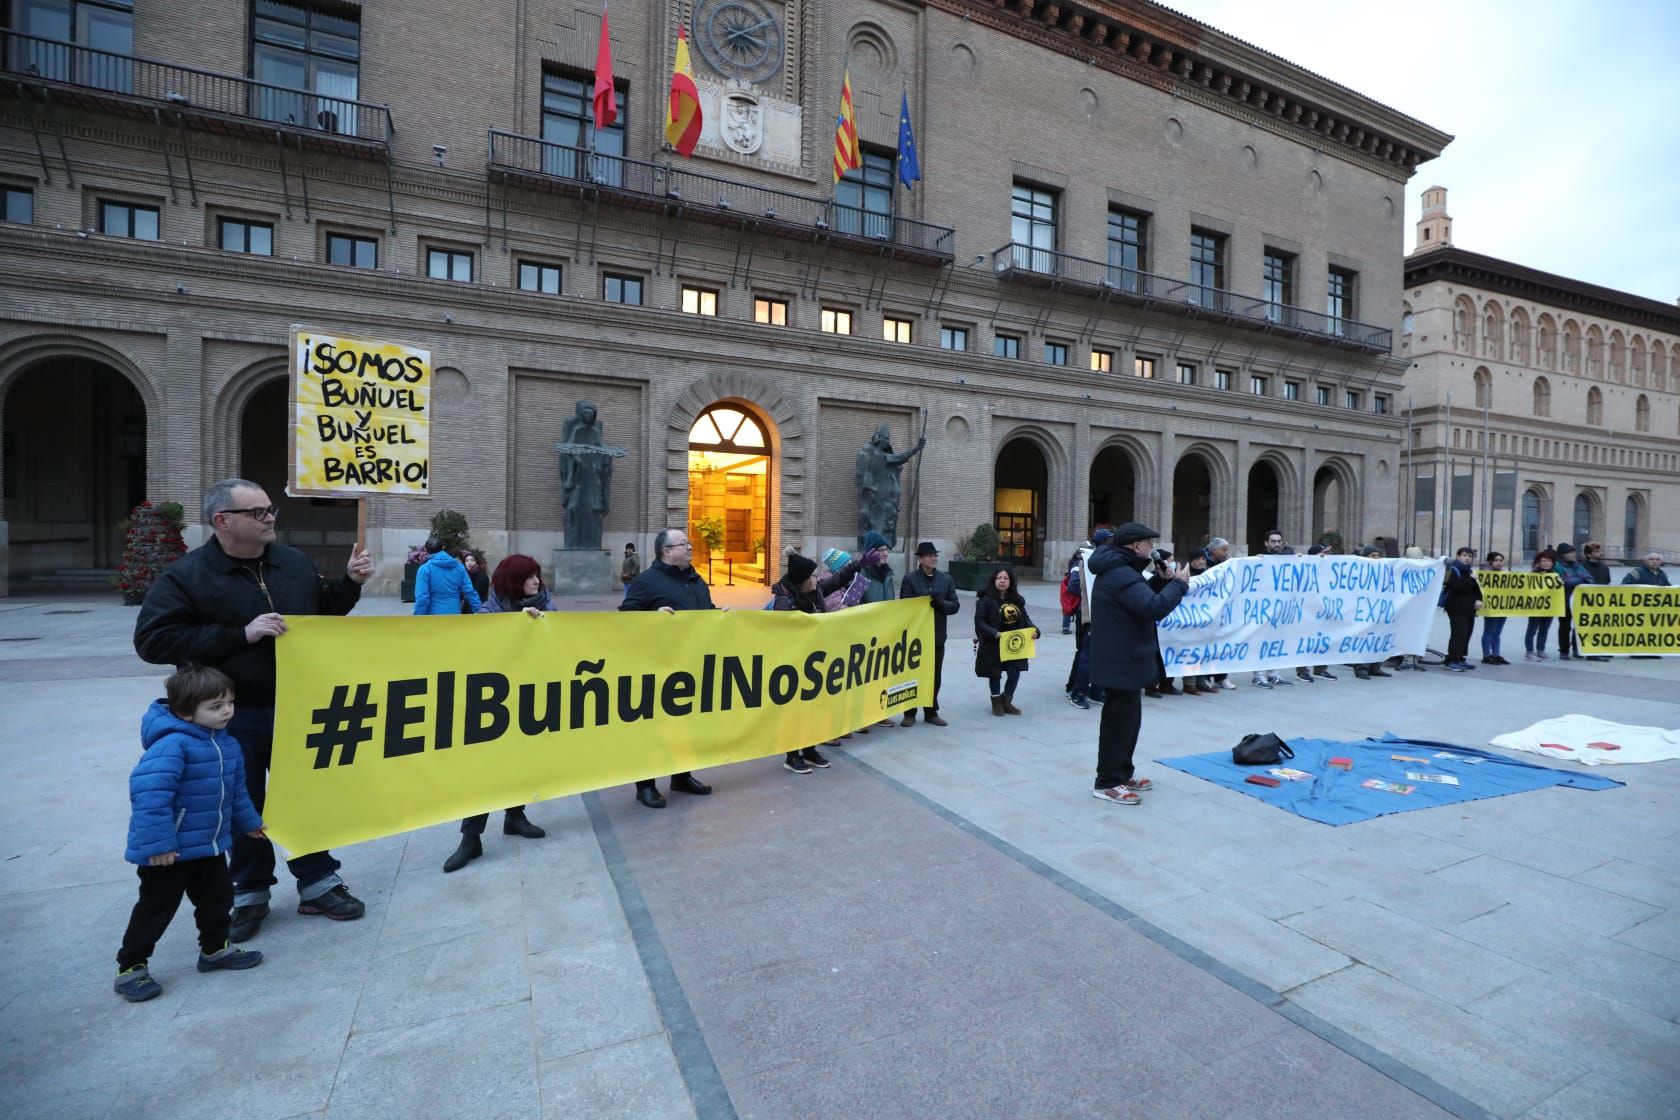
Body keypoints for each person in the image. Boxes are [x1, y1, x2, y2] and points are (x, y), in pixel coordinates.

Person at [134, 478, 372, 943]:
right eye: (258, 512)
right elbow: (152, 640)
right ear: (222, 521)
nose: (269, 519)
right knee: (243, 804)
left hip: (298, 705)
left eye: (270, 511)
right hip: (229, 713)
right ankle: (250, 891)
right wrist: (239, 635)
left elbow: (322, 613)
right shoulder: (188, 575)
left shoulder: (294, 563)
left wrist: (350, 584)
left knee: (306, 793)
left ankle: (319, 881)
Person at [115, 666, 265, 1002]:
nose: (227, 711)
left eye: (229, 702)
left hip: (209, 846)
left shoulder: (226, 744)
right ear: (185, 712)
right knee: (156, 909)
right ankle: (131, 966)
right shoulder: (172, 746)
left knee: (218, 900)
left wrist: (250, 823)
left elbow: (237, 791)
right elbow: (149, 797)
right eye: (215, 706)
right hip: (169, 853)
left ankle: (215, 950)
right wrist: (160, 845)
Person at [440, 555, 552, 873]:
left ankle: (515, 816)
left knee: (521, 761)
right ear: (513, 582)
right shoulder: (488, 613)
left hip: (531, 697)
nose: (536, 582)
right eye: (529, 577)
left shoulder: (547, 605)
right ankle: (470, 837)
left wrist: (540, 624)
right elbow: (479, 649)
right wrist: (515, 625)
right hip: (494, 705)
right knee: (486, 770)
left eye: (537, 576)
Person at [1087, 523, 1189, 806]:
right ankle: (1107, 782)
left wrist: (1161, 581)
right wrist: (1179, 584)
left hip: (1124, 657)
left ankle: (1122, 773)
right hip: (1120, 659)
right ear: (1135, 546)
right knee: (1118, 723)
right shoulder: (1121, 573)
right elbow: (1153, 607)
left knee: (1128, 722)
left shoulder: (1124, 571)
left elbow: (1141, 598)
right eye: (1148, 543)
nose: (1151, 549)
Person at [620, 527, 718, 807]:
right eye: (683, 544)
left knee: (686, 725)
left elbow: (704, 611)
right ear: (666, 551)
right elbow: (627, 617)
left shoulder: (696, 579)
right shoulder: (647, 581)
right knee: (654, 728)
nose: (690, 547)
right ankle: (646, 784)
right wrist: (654, 616)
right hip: (658, 667)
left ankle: (681, 775)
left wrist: (719, 615)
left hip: (691, 665)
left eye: (689, 543)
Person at [770, 552, 837, 774]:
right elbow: (782, 635)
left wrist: (857, 565)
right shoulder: (784, 601)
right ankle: (792, 755)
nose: (816, 579)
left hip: (815, 663)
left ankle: (809, 749)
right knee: (794, 711)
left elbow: (838, 580)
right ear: (801, 580)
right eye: (811, 576)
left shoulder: (814, 594)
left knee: (814, 709)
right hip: (793, 665)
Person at [898, 541, 959, 727]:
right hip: (916, 637)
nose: (934, 558)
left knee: (934, 675)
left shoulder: (945, 579)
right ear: (920, 559)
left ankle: (931, 711)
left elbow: (955, 605)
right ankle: (909, 712)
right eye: (929, 555)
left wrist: (942, 604)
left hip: (937, 635)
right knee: (912, 674)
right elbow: (904, 606)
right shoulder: (910, 579)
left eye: (935, 555)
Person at [973, 566, 1039, 716]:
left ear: (1010, 582)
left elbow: (1026, 619)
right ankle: (996, 702)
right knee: (994, 674)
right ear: (994, 581)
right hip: (994, 643)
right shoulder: (985, 600)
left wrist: (1035, 631)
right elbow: (980, 622)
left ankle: (1007, 701)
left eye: (1005, 578)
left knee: (1015, 672)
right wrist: (994, 633)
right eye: (999, 578)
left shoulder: (1017, 600)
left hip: (1013, 643)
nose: (1002, 581)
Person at [1066, 527, 1113, 709]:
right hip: (1090, 615)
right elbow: (1073, 585)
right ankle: (1078, 691)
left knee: (1103, 655)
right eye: (1109, 541)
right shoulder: (1084, 560)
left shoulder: (1110, 560)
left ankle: (1096, 690)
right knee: (1086, 655)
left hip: (1106, 614)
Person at [1250, 530, 1294, 688]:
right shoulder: (1258, 559)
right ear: (1266, 543)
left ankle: (1273, 673)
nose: (1277, 544)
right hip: (1263, 609)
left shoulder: (1287, 560)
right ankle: (1258, 675)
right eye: (1273, 541)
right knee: (1260, 641)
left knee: (1276, 641)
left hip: (1281, 609)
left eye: (1279, 541)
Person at [1353, 546, 1396, 679]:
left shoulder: (1384, 570)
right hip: (1364, 610)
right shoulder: (1359, 570)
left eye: (1378, 555)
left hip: (1379, 609)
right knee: (1363, 639)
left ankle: (1375, 667)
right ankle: (1361, 668)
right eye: (1373, 555)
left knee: (1378, 637)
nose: (1376, 558)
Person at [1441, 547, 1484, 672]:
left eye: (1470, 556)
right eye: (1465, 555)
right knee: (1458, 634)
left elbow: (1476, 588)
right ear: (1458, 556)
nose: (1467, 558)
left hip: (1469, 608)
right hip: (1456, 607)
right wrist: (1472, 579)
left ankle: (1460, 658)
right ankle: (1451, 660)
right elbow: (1456, 588)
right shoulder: (1453, 570)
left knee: (1466, 634)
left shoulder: (1469, 571)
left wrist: (1479, 599)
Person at [414, 537, 481, 616]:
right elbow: (470, 591)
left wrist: (418, 616)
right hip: (454, 613)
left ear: (425, 550)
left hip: (433, 616)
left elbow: (422, 597)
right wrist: (478, 610)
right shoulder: (459, 567)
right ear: (443, 547)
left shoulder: (424, 569)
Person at [1554, 542, 1592, 660]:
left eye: (1574, 552)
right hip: (1564, 601)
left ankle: (1577, 649)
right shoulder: (1557, 566)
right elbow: (1564, 582)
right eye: (1570, 552)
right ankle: (1564, 650)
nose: (1573, 554)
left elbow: (1590, 579)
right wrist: (1580, 579)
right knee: (1565, 626)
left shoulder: (1578, 565)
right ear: (1563, 554)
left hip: (1579, 601)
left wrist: (1577, 579)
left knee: (1579, 626)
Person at [1578, 542, 1613, 660]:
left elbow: (1607, 582)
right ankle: (1581, 649)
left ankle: (1600, 649)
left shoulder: (1604, 567)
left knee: (1601, 626)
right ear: (1589, 554)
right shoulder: (1582, 567)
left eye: (1600, 551)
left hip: (1601, 601)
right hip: (1586, 602)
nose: (1600, 553)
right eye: (1596, 551)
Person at [1524, 549, 1558, 661]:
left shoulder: (1556, 575)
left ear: (1552, 562)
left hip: (1550, 606)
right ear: (1538, 563)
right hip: (1536, 607)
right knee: (1532, 629)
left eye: (1548, 560)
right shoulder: (1533, 575)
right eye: (1543, 561)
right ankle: (1529, 651)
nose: (1546, 563)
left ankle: (1540, 650)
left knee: (1544, 629)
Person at [1479, 552, 1510, 664]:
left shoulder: (1505, 573)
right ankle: (1486, 655)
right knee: (1489, 631)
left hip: (1503, 606)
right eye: (1496, 560)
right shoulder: (1485, 573)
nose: (1499, 563)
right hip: (1490, 607)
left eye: (1501, 560)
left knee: (1497, 632)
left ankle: (1496, 654)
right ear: (1490, 561)